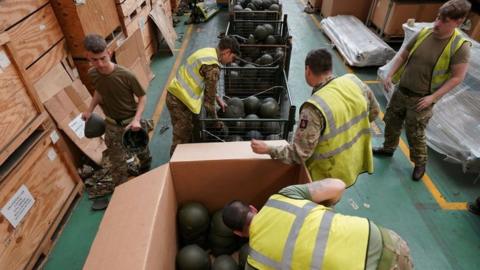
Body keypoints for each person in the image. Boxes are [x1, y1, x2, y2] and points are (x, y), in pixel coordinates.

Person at [251, 49, 379, 187]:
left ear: (308, 70)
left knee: (320, 206)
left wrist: (268, 149)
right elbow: (374, 112)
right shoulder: (353, 81)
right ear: (330, 67)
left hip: (327, 173)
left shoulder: (314, 108)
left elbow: (299, 154)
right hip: (352, 162)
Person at [374, 0, 471, 181]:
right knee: (391, 121)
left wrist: (432, 98)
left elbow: (458, 77)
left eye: (445, 21)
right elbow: (403, 54)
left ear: (458, 22)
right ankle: (388, 148)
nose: (437, 24)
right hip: (402, 90)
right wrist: (390, 75)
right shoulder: (424, 33)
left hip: (422, 99)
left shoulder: (459, 46)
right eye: (437, 18)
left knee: (415, 133)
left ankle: (420, 163)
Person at [222, 180, 413, 270]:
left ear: (238, 233)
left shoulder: (255, 262)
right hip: (384, 239)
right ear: (253, 208)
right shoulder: (283, 196)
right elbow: (338, 186)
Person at [82, 34, 149, 191]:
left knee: (143, 153)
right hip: (111, 125)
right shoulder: (93, 74)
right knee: (117, 164)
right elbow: (100, 91)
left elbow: (142, 97)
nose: (99, 64)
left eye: (102, 58)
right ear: (88, 57)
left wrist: (137, 120)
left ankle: (146, 167)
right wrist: (89, 110)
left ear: (109, 53)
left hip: (132, 124)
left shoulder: (126, 75)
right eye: (94, 60)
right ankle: (124, 193)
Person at [166, 36, 240, 155]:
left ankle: (185, 158)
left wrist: (218, 98)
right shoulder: (213, 67)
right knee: (181, 138)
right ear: (227, 52)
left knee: (186, 131)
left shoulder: (208, 52)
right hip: (179, 101)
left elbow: (207, 85)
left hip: (176, 94)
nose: (231, 61)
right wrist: (216, 122)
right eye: (232, 57)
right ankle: (174, 166)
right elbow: (208, 103)